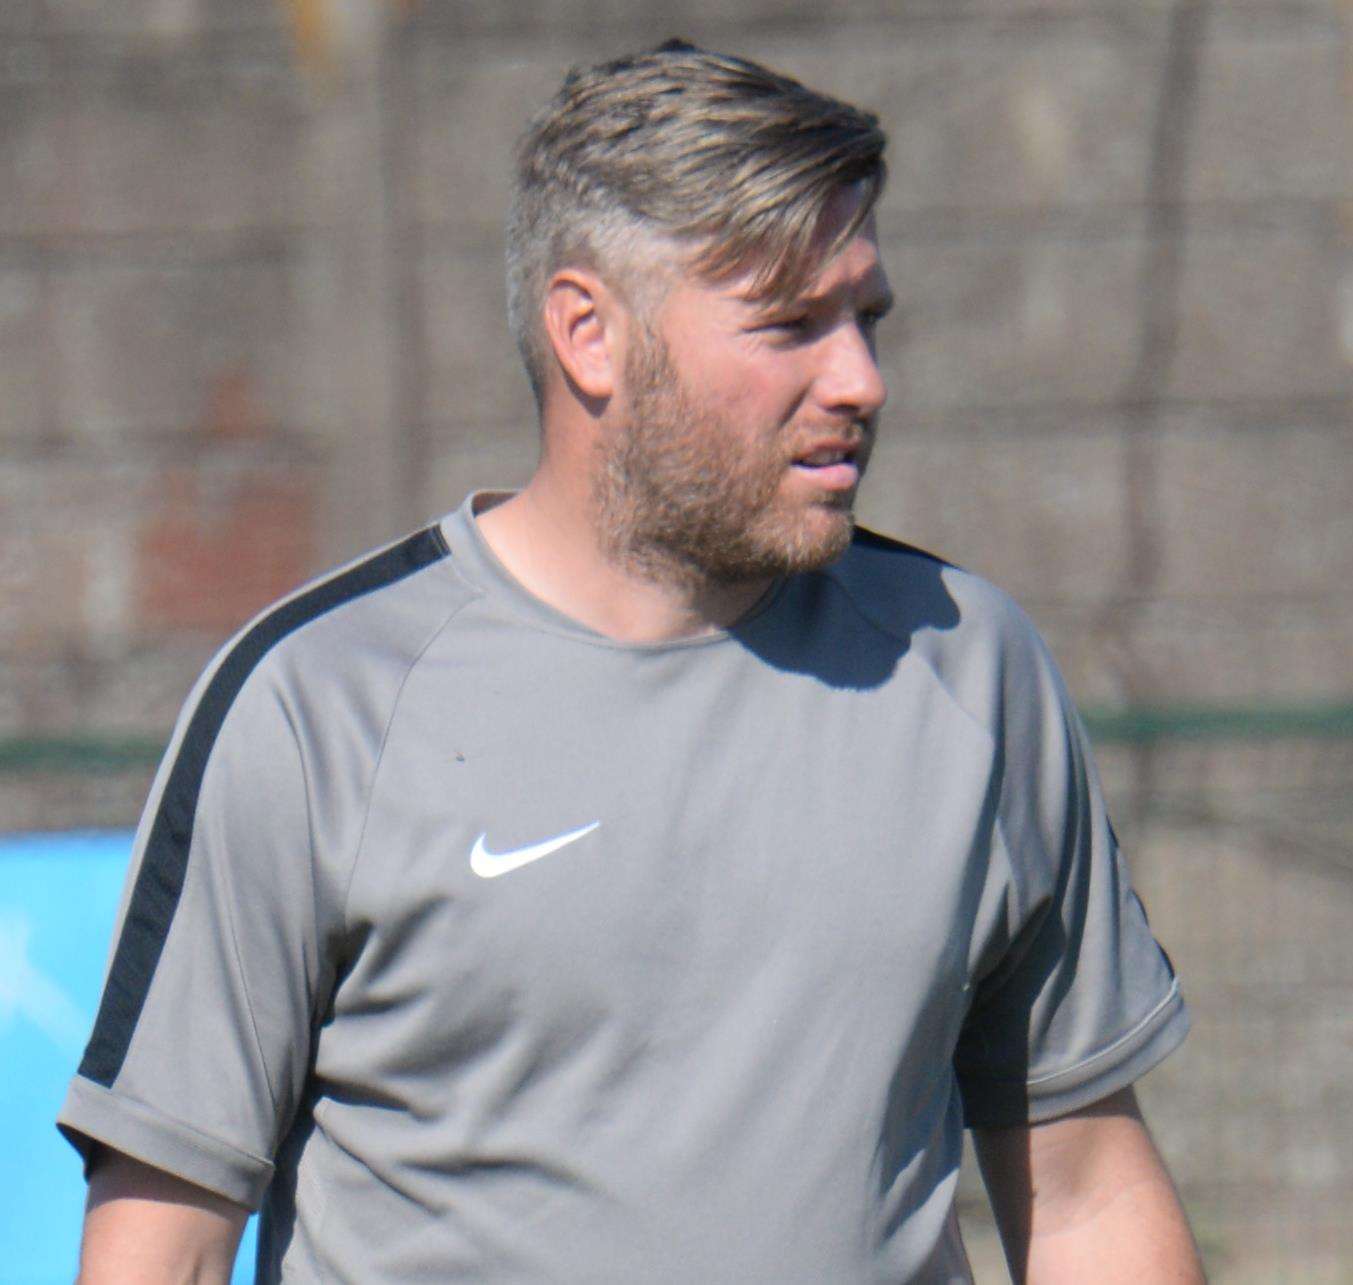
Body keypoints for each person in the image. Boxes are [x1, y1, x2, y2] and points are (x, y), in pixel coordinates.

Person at [61, 41, 1204, 1284]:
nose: (861, 381)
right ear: (589, 334)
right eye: (792, 326)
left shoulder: (972, 671)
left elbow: (1090, 1198)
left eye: (866, 318)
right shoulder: (317, 705)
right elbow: (159, 1247)